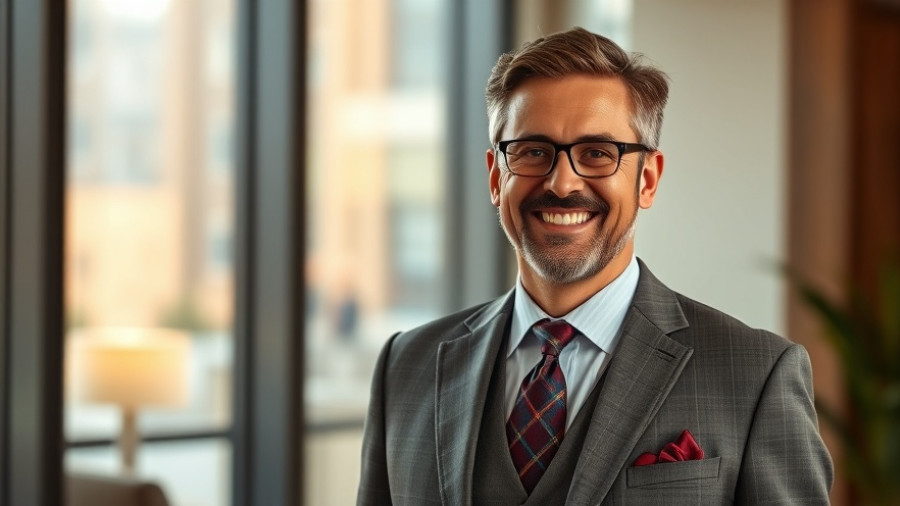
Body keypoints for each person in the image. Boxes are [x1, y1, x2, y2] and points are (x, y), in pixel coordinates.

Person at [357, 27, 833, 505]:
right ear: (496, 177)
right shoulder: (406, 366)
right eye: (533, 152)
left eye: (597, 154)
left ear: (647, 180)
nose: (562, 183)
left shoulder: (756, 376)